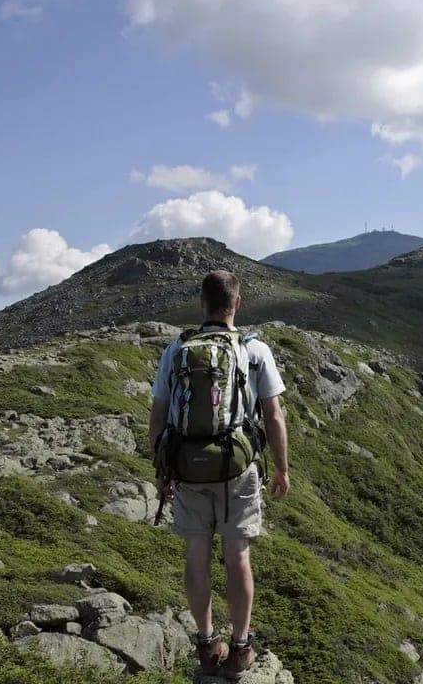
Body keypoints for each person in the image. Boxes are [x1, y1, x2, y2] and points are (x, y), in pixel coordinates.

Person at [148, 270, 290, 679]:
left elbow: (159, 414)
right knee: (237, 556)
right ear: (237, 304)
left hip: (187, 468)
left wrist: (163, 468)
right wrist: (281, 467)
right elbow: (274, 415)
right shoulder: (254, 350)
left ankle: (208, 644)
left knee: (196, 555)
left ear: (202, 303)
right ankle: (242, 648)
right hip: (236, 468)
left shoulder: (176, 350)